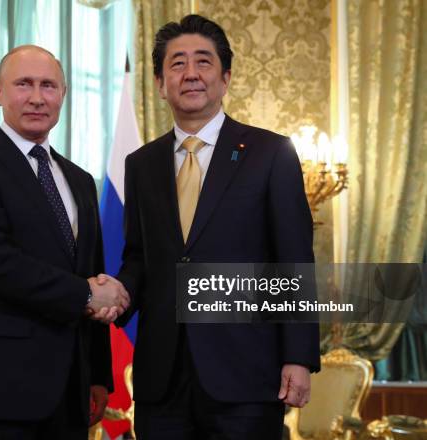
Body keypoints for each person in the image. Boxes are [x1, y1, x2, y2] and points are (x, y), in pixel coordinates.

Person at [111, 15, 321, 439]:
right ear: (159, 82)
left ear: (225, 78)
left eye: (203, 62)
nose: (190, 74)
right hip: (161, 378)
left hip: (246, 375)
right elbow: (139, 254)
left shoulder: (270, 153)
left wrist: (298, 357)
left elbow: (294, 261)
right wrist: (117, 295)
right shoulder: (141, 164)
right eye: (177, 63)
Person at [0, 45, 129, 440]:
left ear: (63, 94)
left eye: (49, 86)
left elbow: (91, 272)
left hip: (70, 392)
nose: (38, 97)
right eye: (24, 84)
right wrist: (85, 294)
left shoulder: (79, 179)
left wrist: (97, 374)